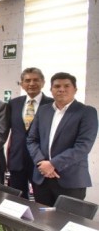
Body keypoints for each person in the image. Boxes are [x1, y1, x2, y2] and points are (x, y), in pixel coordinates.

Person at [26, 72, 98, 206]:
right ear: (51, 90)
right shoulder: (43, 110)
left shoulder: (86, 112)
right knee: (41, 217)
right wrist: (41, 162)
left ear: (75, 89)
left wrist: (53, 164)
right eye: (57, 86)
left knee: (67, 218)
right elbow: (32, 140)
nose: (61, 89)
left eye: (66, 86)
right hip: (42, 178)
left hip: (70, 180)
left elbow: (83, 146)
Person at [7, 67, 52, 199]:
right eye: (27, 80)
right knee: (16, 200)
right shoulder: (13, 103)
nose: (31, 83)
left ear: (43, 82)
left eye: (35, 80)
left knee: (41, 200)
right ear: (22, 84)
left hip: (41, 160)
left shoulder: (52, 104)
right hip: (17, 159)